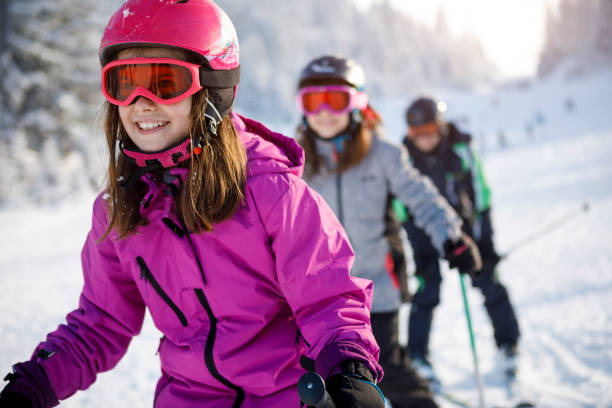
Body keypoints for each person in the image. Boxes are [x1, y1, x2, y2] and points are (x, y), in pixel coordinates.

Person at [0, 2, 388, 407]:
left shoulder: (270, 192)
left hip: (287, 396)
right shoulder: (119, 211)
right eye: (124, 83)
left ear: (212, 89)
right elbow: (102, 322)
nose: (142, 102)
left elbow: (327, 299)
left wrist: (349, 370)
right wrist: (35, 383)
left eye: (164, 82)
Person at [295, 55, 482, 408]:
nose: (322, 111)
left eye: (334, 99)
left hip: (377, 293)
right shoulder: (296, 161)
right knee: (318, 389)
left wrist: (451, 236)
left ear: (356, 102)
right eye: (310, 100)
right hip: (318, 301)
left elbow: (422, 197)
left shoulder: (383, 155)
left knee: (390, 373)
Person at [401, 96, 521, 384]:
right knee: (427, 288)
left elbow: (481, 193)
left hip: (467, 230)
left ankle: (508, 344)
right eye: (417, 133)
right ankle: (417, 354)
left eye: (429, 129)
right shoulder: (402, 157)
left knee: (488, 279)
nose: (424, 138)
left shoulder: (459, 149)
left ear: (440, 126)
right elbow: (399, 203)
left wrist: (482, 241)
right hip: (424, 232)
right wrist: (416, 237)